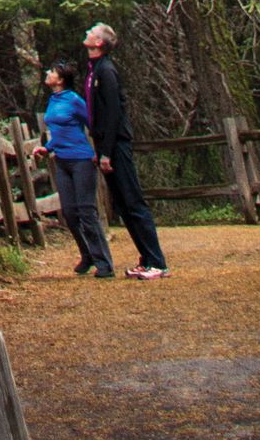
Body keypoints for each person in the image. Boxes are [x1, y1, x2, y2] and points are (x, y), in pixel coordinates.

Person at [81, 23, 168, 278]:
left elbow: (114, 113)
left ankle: (158, 262)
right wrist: (99, 149)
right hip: (106, 145)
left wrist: (107, 151)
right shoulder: (93, 70)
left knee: (133, 201)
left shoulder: (106, 71)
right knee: (123, 204)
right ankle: (146, 258)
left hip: (117, 145)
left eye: (92, 32)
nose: (87, 32)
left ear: (99, 43)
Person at [42, 64, 113, 277]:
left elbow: (93, 123)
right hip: (62, 161)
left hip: (81, 160)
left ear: (61, 79)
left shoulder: (74, 100)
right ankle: (87, 255)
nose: (47, 73)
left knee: (86, 211)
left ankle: (104, 263)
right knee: (70, 213)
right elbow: (58, 132)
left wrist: (100, 151)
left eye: (52, 72)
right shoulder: (53, 100)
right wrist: (47, 148)